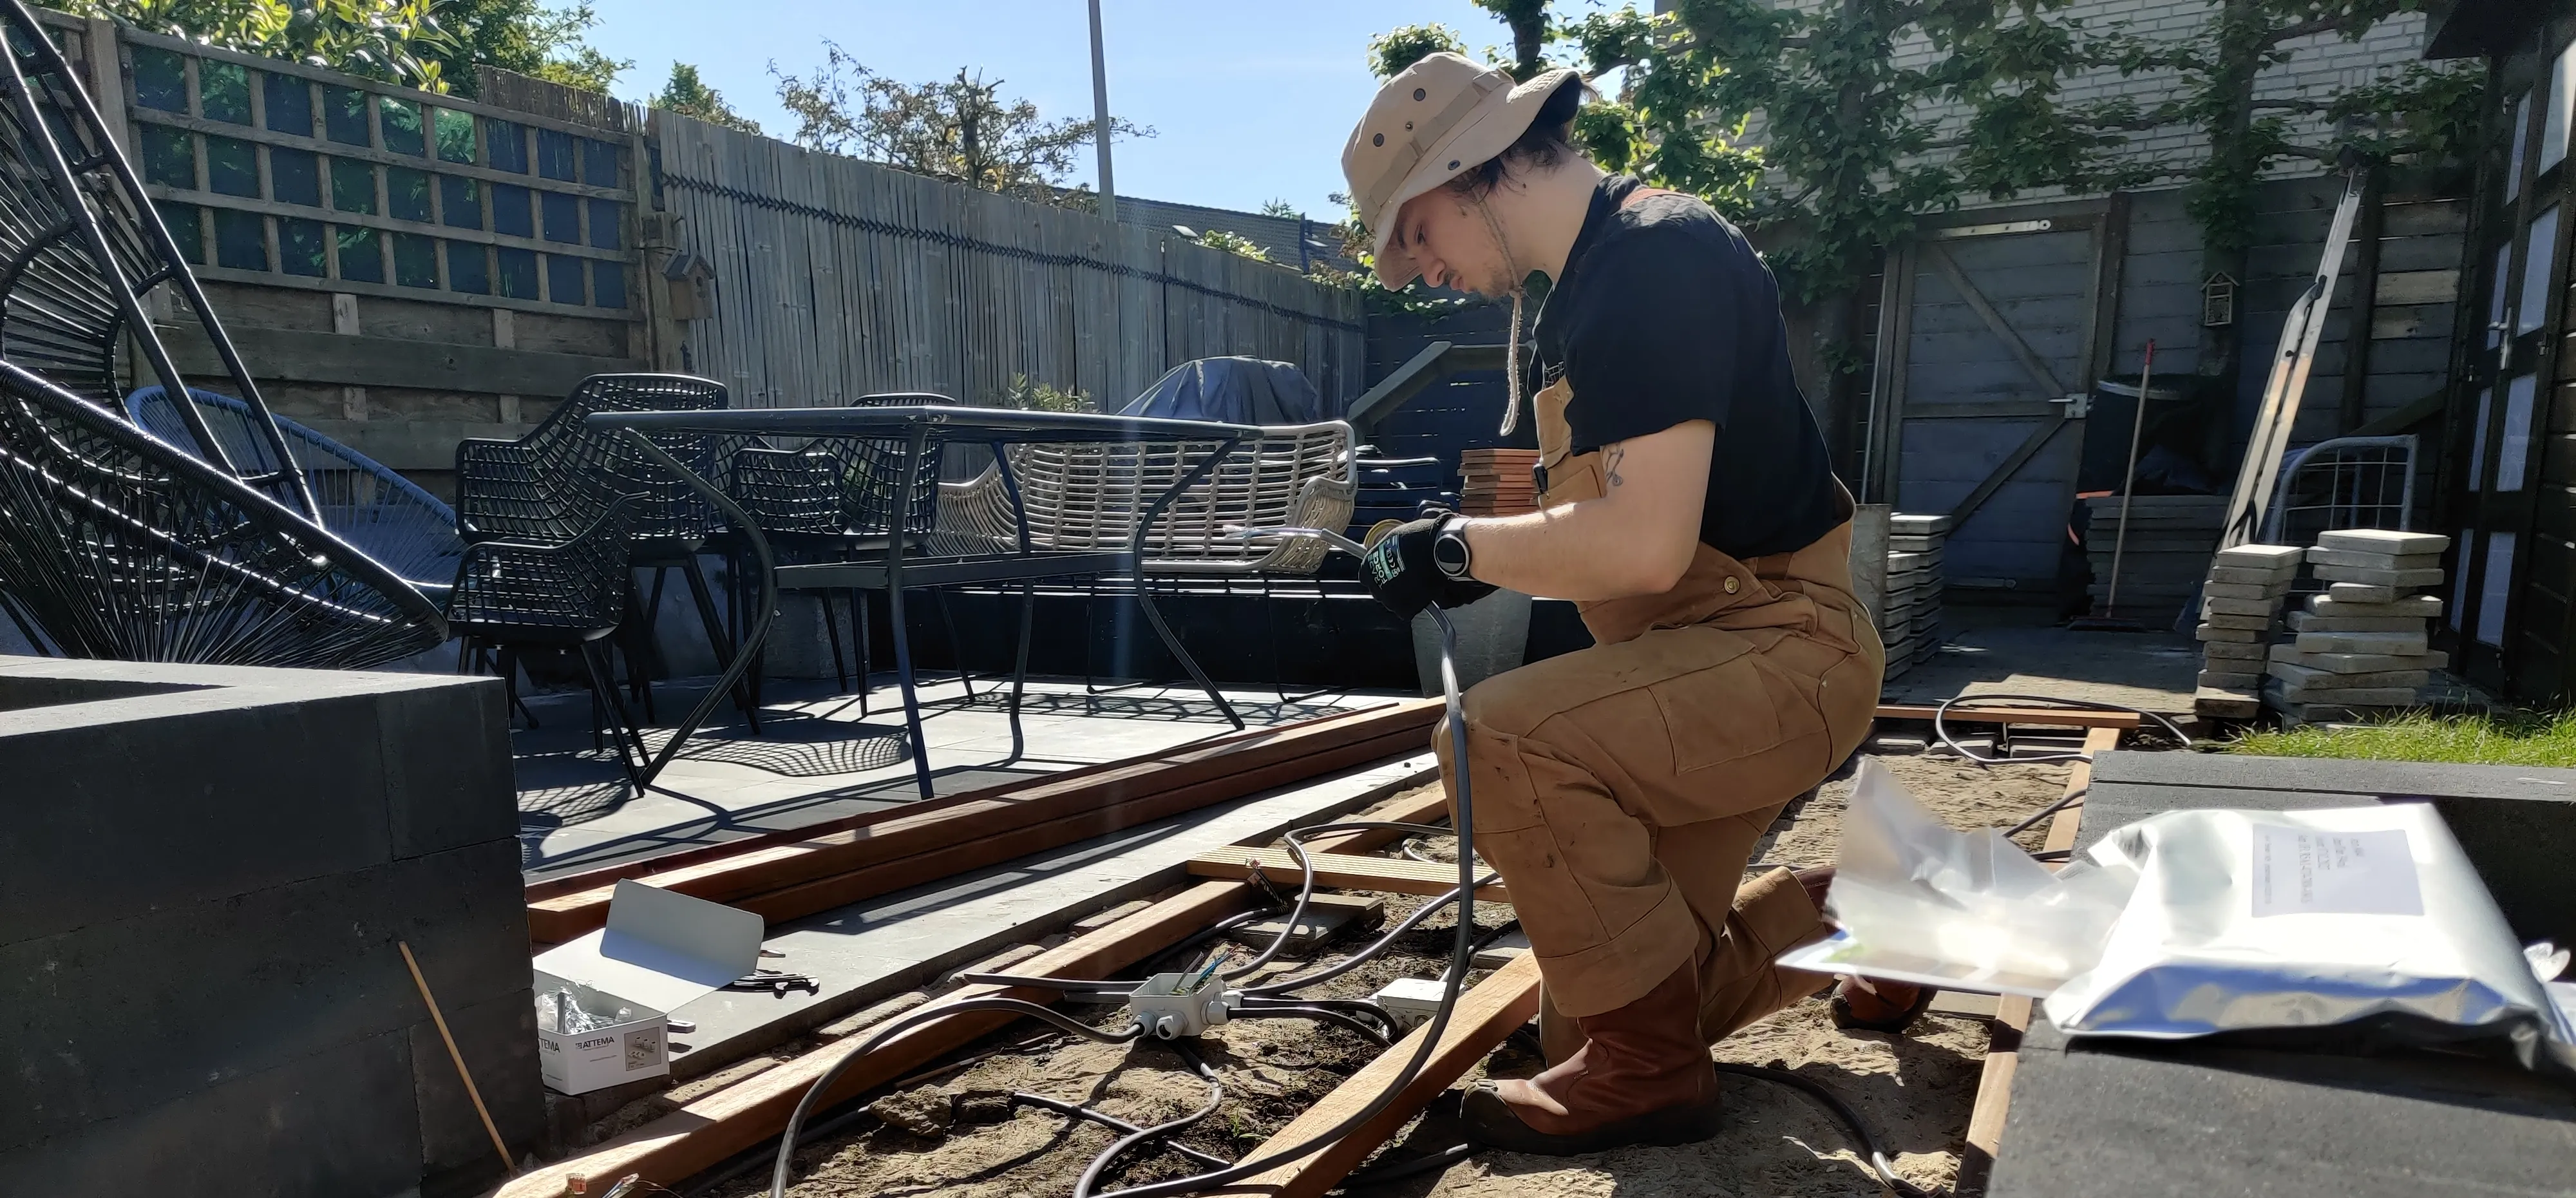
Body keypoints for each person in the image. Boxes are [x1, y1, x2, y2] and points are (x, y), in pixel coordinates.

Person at [1342, 53, 1928, 1156]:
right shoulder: (1590, 288)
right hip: (1700, 655)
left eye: (1416, 233)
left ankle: (1651, 1076)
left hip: (1776, 649)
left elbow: (1645, 546)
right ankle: (1871, 912)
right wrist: (1456, 544)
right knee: (1637, 995)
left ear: (1474, 170)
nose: (1421, 271)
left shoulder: (1652, 261)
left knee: (1492, 741)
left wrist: (1457, 548)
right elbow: (1609, 543)